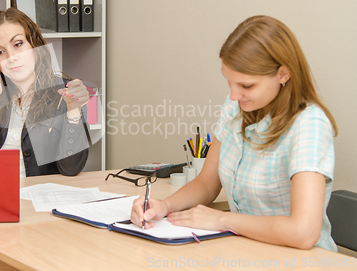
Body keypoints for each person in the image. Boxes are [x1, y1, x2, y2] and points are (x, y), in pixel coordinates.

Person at [131, 15, 338, 251]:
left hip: (301, 260)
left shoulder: (309, 124)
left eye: (246, 86)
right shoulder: (236, 107)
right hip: (247, 250)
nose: (233, 95)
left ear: (283, 74)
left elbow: (303, 232)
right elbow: (207, 184)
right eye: (229, 83)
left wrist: (222, 220)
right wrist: (164, 206)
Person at [0, 8, 90, 177]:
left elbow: (71, 168)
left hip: (39, 199)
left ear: (34, 44)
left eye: (18, 44)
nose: (11, 57)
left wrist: (73, 111)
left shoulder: (64, 93)